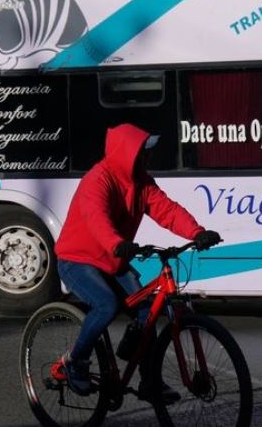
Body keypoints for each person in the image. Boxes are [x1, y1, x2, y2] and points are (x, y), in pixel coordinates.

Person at [54, 123, 221, 399]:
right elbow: (97, 218)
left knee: (147, 313)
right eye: (144, 151)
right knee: (105, 305)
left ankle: (150, 381)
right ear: (127, 153)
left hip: (114, 261)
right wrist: (116, 243)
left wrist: (197, 232)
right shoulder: (98, 180)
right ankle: (76, 362)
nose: (148, 156)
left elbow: (167, 211)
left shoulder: (142, 182)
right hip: (78, 259)